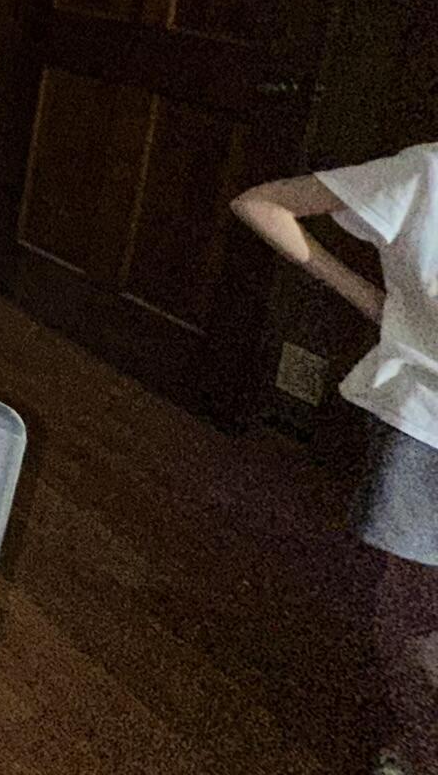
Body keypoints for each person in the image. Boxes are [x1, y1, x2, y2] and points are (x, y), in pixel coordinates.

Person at [232, 144, 438, 775]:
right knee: (411, 624)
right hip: (427, 433)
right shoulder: (427, 172)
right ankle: (416, 749)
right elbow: (261, 204)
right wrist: (377, 305)